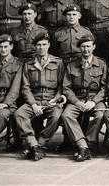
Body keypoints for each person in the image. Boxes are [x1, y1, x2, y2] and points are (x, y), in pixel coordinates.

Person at [14, 32, 65, 161]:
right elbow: (25, 88)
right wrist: (33, 104)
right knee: (19, 114)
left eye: (44, 45)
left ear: (48, 45)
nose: (41, 48)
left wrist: (57, 98)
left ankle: (40, 143)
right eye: (38, 45)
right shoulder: (28, 64)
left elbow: (61, 85)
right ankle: (33, 143)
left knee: (56, 116)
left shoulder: (57, 63)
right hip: (34, 99)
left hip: (51, 99)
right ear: (35, 47)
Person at [61, 34, 108, 162]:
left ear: (94, 47)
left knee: (100, 115)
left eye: (88, 46)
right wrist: (76, 102)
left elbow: (105, 88)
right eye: (83, 47)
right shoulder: (72, 65)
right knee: (66, 115)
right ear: (79, 48)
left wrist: (93, 102)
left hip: (95, 99)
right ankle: (83, 146)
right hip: (77, 98)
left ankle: (89, 143)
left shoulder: (101, 64)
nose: (85, 49)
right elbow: (66, 88)